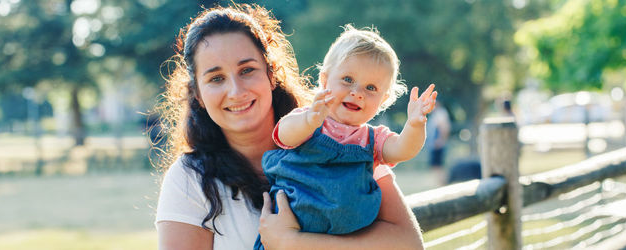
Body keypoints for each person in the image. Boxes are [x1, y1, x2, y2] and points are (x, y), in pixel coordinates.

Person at [153, 4, 424, 249]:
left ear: (271, 75)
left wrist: (295, 242)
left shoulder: (340, 137)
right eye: (216, 78)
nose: (235, 91)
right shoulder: (189, 181)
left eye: (247, 70)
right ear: (198, 94)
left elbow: (409, 243)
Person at [255, 26, 436, 249]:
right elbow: (284, 135)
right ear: (324, 80)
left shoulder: (373, 139)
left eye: (371, 87)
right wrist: (310, 121)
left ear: (383, 99)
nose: (357, 92)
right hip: (294, 225)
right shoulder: (309, 119)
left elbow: (402, 149)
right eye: (348, 79)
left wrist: (415, 125)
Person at [425, 100, 450, 185]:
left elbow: (443, 127)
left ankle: (442, 183)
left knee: (438, 165)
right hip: (435, 143)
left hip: (437, 143)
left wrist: (440, 140)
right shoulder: (437, 113)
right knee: (436, 165)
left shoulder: (440, 113)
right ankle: (440, 182)